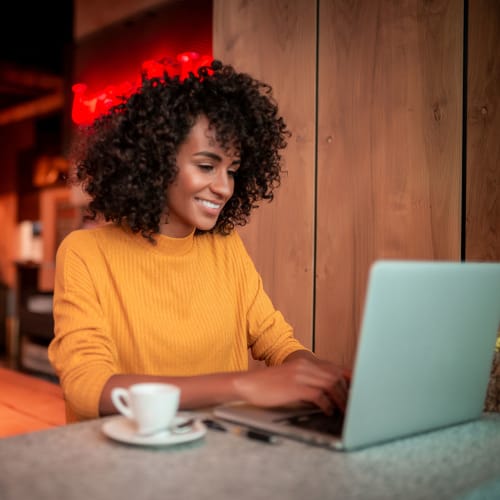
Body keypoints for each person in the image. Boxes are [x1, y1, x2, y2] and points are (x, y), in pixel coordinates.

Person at [48, 60, 348, 423]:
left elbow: (278, 343)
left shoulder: (225, 245)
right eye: (207, 166)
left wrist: (330, 380)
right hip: (130, 459)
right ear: (156, 162)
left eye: (232, 171)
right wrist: (243, 386)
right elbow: (85, 387)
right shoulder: (86, 253)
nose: (223, 187)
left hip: (219, 450)